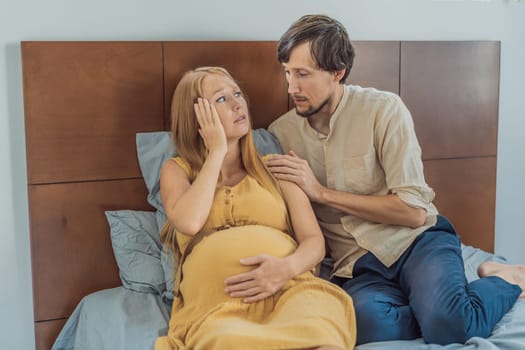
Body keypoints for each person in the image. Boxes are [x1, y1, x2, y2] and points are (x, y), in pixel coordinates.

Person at [267, 14, 525, 346]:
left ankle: (503, 280)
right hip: (357, 267)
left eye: (303, 74)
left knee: (452, 325)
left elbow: (414, 211)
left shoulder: (383, 109)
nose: (292, 87)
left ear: (338, 71)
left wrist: (322, 193)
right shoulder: (281, 134)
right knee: (362, 329)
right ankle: (430, 305)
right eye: (287, 72)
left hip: (416, 243)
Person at [154, 66, 356, 350]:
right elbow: (188, 222)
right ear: (197, 117)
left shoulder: (277, 167)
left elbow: (314, 242)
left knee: (319, 329)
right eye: (221, 99)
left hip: (290, 291)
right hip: (217, 308)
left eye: (237, 93)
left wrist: (285, 269)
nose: (238, 104)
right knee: (225, 340)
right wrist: (217, 152)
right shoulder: (177, 171)